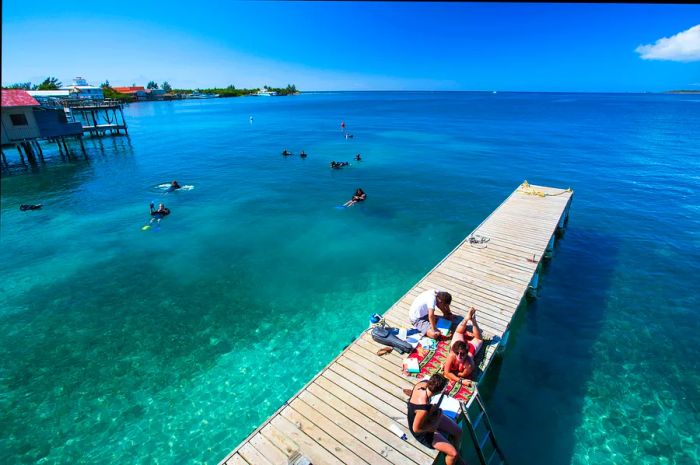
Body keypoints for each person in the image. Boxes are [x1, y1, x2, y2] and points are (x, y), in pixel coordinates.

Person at [406, 374, 465, 465]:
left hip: (429, 414)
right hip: (422, 431)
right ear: (438, 390)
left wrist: (442, 394)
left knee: (458, 431)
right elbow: (416, 429)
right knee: (453, 454)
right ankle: (454, 457)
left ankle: (457, 458)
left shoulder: (423, 384)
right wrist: (434, 425)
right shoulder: (423, 408)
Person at [443, 307, 483, 385]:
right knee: (458, 332)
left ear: (466, 353)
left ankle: (473, 320)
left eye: (462, 354)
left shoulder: (469, 365)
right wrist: (460, 380)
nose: (459, 356)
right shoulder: (452, 355)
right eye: (457, 353)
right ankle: (466, 318)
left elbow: (459, 374)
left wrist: (454, 374)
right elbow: (447, 372)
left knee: (479, 339)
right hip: (459, 346)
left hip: (470, 349)